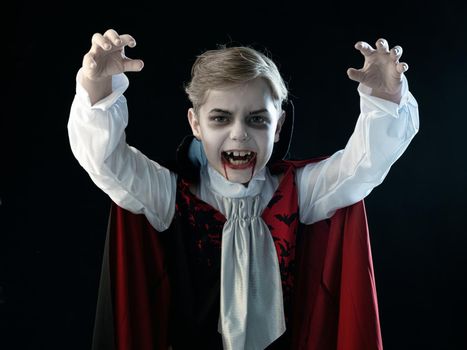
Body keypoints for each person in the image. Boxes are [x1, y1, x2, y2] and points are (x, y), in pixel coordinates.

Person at [67, 29, 419, 350]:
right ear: (196, 124)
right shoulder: (168, 195)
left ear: (278, 126)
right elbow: (107, 162)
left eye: (257, 119)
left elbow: (362, 167)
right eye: (220, 118)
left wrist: (385, 99)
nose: (239, 134)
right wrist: (98, 89)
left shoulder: (302, 191)